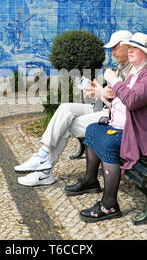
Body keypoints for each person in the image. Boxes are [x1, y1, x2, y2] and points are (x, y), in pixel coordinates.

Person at [64, 32, 147, 223]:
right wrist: (104, 92)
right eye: (129, 47)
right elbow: (124, 99)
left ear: (146, 53)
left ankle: (109, 205)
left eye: (135, 48)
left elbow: (132, 100)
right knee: (92, 130)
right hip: (137, 131)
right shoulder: (138, 72)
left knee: (109, 142)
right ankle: (91, 180)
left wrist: (114, 80)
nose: (130, 50)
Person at [14, 30, 134, 187]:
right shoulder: (121, 67)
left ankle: (44, 171)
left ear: (128, 46)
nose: (112, 53)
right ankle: (42, 156)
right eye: (110, 49)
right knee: (65, 109)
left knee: (67, 124)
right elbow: (115, 98)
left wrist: (101, 94)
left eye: (115, 48)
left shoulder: (134, 71)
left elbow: (125, 108)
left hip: (113, 116)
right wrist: (99, 91)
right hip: (107, 110)